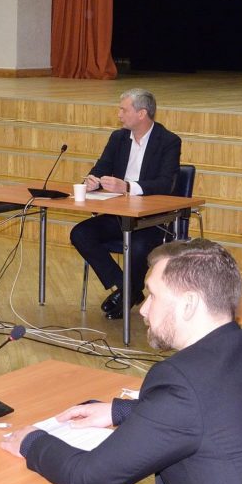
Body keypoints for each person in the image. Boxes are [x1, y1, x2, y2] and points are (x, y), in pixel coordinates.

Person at [0, 239, 242, 484]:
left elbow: (87, 478)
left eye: (152, 295)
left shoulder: (182, 380)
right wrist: (118, 411)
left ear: (188, 304)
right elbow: (211, 412)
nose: (142, 308)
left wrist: (33, 441)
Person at [71, 88, 181, 319]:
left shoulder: (168, 141)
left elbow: (165, 184)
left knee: (139, 247)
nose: (119, 114)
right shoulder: (118, 138)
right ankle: (128, 290)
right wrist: (91, 181)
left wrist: (128, 187)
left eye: (123, 110)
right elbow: (100, 169)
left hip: (151, 220)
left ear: (142, 113)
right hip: (118, 215)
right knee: (80, 233)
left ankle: (126, 293)